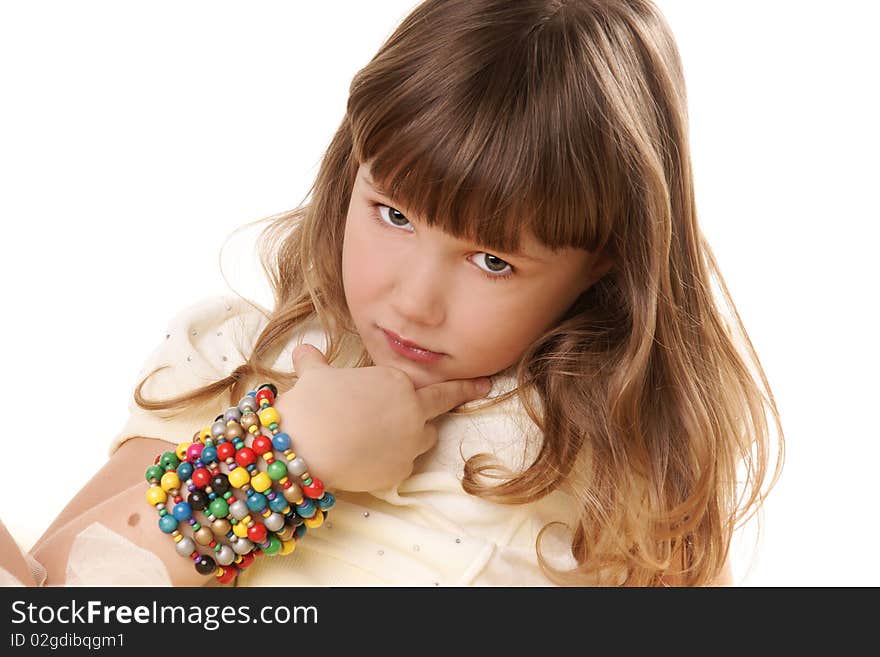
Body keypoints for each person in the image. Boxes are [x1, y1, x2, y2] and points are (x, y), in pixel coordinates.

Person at [5, 0, 784, 588]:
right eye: (394, 214)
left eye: (492, 260)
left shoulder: (623, 455)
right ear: (353, 167)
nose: (414, 301)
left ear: (605, 263)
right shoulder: (238, 358)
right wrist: (281, 453)